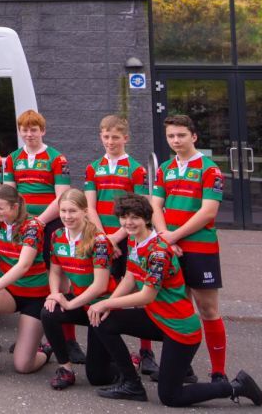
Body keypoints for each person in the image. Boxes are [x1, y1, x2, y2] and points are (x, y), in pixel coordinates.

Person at [89, 194, 262, 405]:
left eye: (134, 217)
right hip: (157, 318)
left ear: (146, 218)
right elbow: (129, 278)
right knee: (103, 320)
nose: (128, 222)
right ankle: (131, 384)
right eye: (124, 217)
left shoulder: (158, 251)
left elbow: (146, 295)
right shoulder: (136, 242)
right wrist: (107, 307)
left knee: (171, 397)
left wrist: (106, 302)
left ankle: (235, 387)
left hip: (180, 328)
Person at [151, 115, 228, 384]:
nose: (176, 140)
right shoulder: (164, 168)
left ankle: (219, 372)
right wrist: (165, 238)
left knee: (208, 310)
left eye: (181, 135)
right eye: (171, 136)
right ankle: (182, 368)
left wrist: (174, 236)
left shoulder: (210, 170)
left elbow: (208, 211)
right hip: (170, 247)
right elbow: (155, 205)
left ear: (193, 136)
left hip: (199, 248)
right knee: (176, 309)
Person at [84, 114, 156, 376]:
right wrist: (104, 238)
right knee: (105, 290)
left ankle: (146, 351)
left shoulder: (136, 169)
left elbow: (139, 209)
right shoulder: (93, 168)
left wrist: (117, 237)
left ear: (126, 138)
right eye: (105, 136)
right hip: (102, 238)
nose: (110, 141)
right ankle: (110, 348)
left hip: (127, 239)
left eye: (115, 137)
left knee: (136, 293)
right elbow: (90, 205)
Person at [4, 110, 76, 360]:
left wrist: (40, 221)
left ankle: (69, 340)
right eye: (24, 129)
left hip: (51, 223)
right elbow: (10, 195)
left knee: (58, 277)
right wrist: (22, 221)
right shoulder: (13, 158)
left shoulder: (57, 158)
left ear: (42, 131)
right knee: (30, 273)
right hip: (23, 225)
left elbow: (62, 196)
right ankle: (36, 337)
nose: (29, 134)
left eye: (34, 129)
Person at [0, 184, 51, 376]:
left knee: (23, 366)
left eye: (0, 208)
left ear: (15, 207)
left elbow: (23, 265)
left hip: (36, 295)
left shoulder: (33, 226)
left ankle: (46, 351)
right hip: (10, 291)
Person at [40, 189, 117, 390]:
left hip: (102, 307)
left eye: (72, 211)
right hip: (81, 303)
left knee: (98, 377)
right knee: (48, 312)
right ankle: (65, 368)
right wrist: (55, 294)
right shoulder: (57, 235)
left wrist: (69, 302)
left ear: (85, 211)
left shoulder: (99, 241)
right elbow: (55, 272)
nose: (67, 216)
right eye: (63, 211)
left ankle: (124, 361)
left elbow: (100, 285)